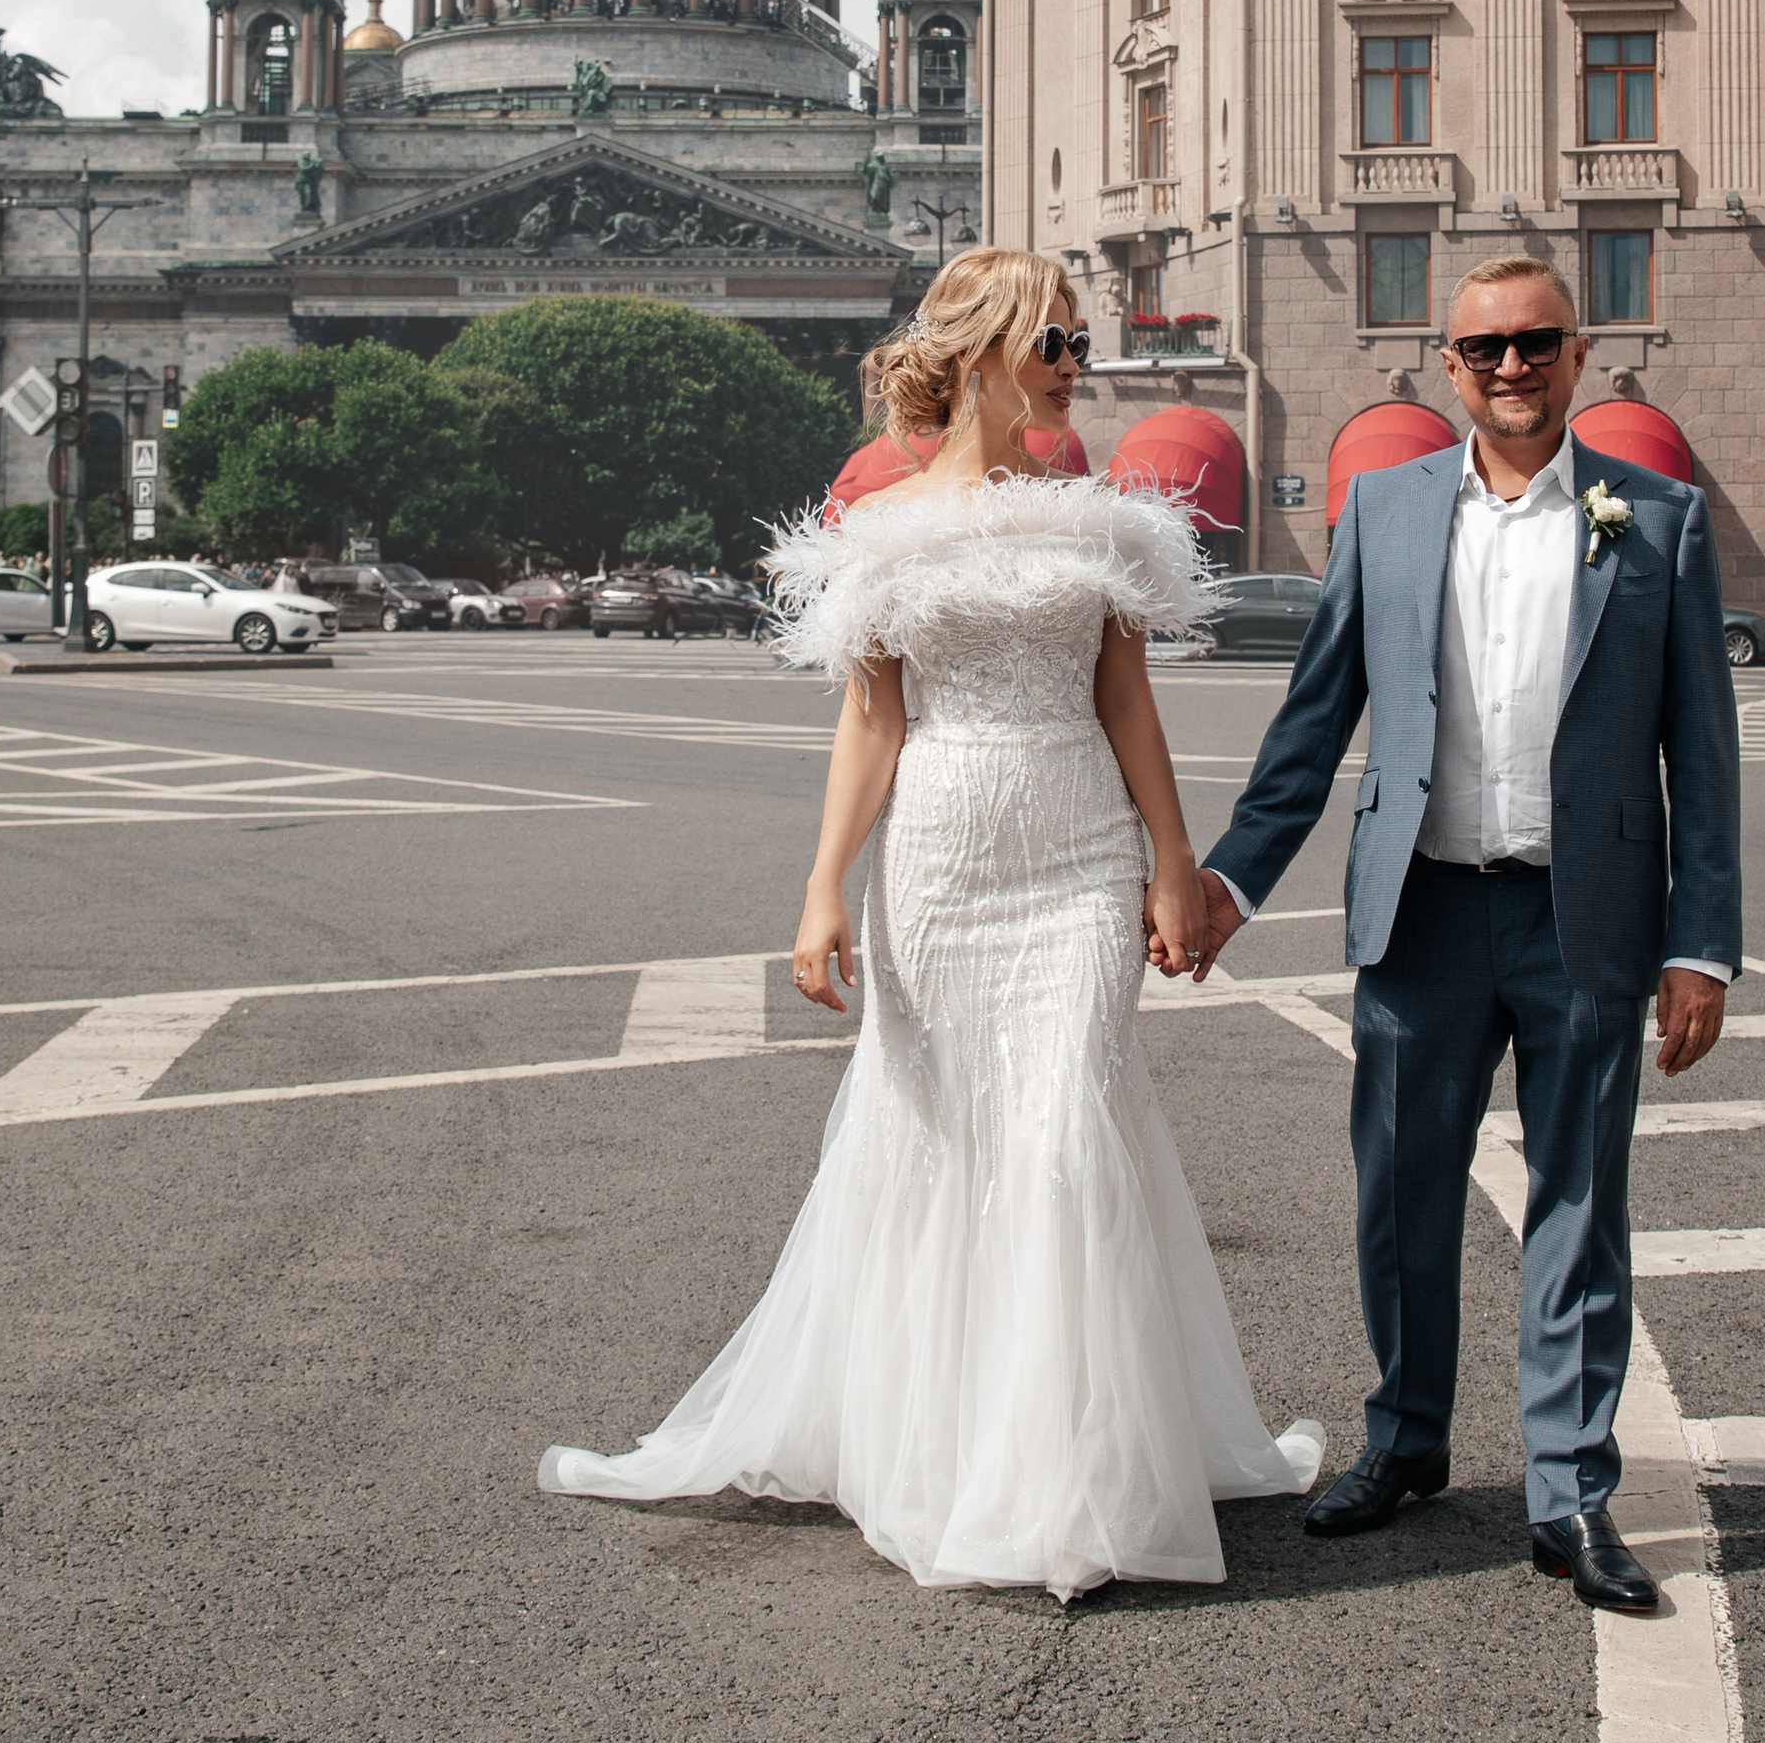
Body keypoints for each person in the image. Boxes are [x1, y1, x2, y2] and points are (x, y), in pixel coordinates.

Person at [538, 244, 1321, 1597]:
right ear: (978, 359)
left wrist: (1173, 864)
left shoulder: (1103, 522)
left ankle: (1065, 1481)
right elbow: (871, 719)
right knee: (945, 1138)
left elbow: (1129, 704)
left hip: (1078, 850)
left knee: (1069, 1127)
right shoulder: (883, 535)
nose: (1081, 366)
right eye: (1057, 343)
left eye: (1082, 343)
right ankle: (950, 1446)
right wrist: (819, 889)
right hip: (944, 864)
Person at [1198, 252, 1740, 1609]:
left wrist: (1702, 943)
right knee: (1401, 1198)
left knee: (1579, 1210)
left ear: (1579, 355)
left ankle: (1569, 1493)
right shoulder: (1382, 510)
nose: (1511, 367)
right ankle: (1407, 1441)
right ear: (1449, 365)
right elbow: (1314, 724)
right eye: (1485, 348)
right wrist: (1229, 884)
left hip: (1588, 920)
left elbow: (1704, 755)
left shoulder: (1654, 519)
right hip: (1424, 910)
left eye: (1536, 343)